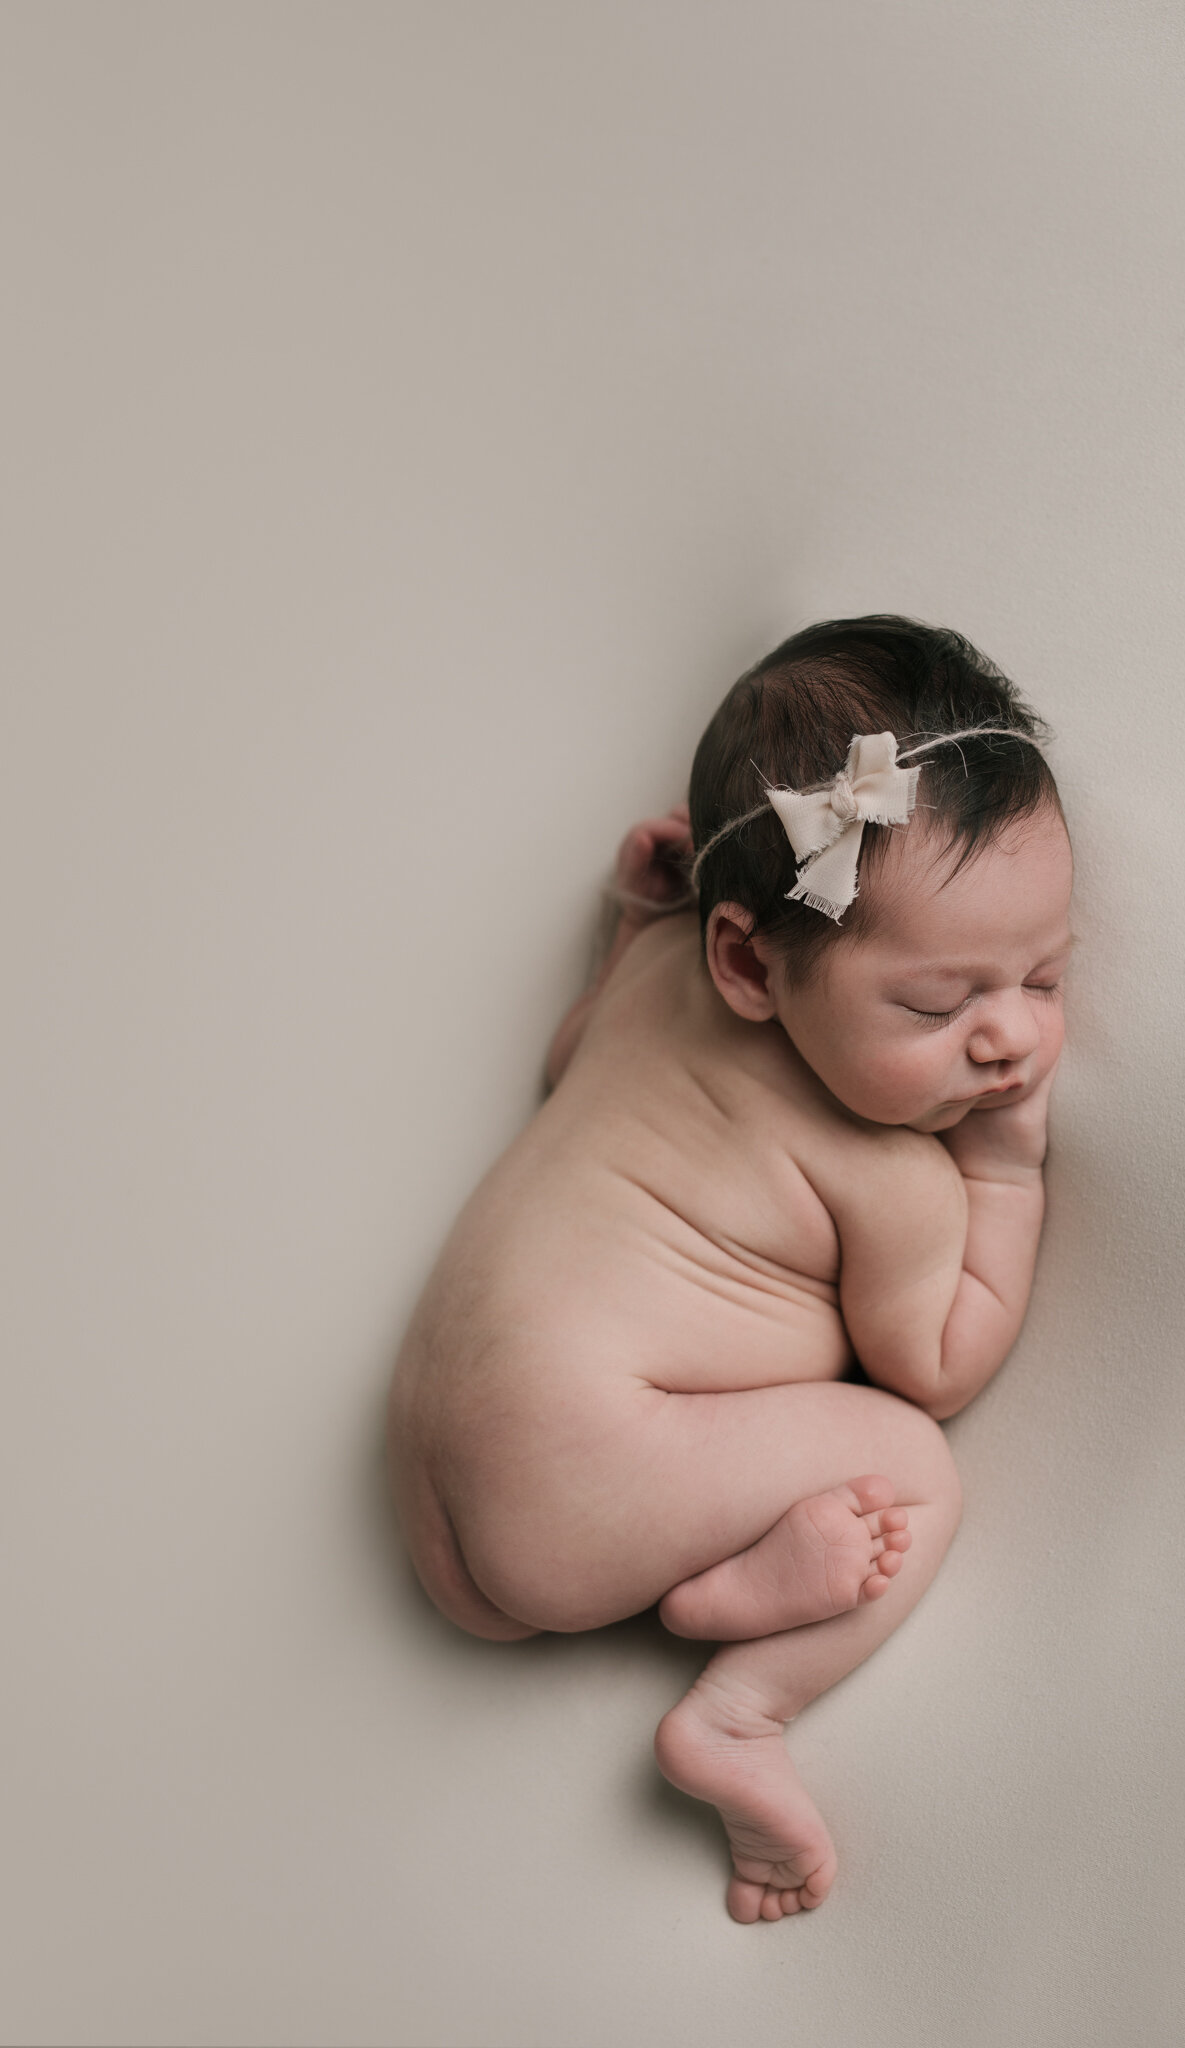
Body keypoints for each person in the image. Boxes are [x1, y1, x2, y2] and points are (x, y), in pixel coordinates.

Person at [387, 615, 1073, 1923]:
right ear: (748, 959)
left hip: (443, 1456)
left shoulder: (653, 969)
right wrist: (1006, 1174)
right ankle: (738, 1715)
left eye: (1042, 976)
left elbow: (565, 1058)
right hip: (567, 1481)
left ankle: (727, 1579)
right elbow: (936, 1364)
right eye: (936, 1008)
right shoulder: (894, 1175)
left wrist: (627, 920)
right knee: (917, 1473)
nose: (1009, 1041)